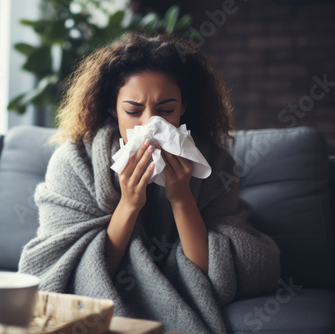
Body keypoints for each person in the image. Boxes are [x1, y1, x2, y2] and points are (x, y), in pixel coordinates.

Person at [17, 31, 281, 334]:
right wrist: (129, 205)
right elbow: (67, 270)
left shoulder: (215, 165)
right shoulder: (76, 162)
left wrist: (181, 198)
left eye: (165, 110)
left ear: (183, 107)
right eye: (133, 110)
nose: (149, 124)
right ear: (113, 110)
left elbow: (220, 269)